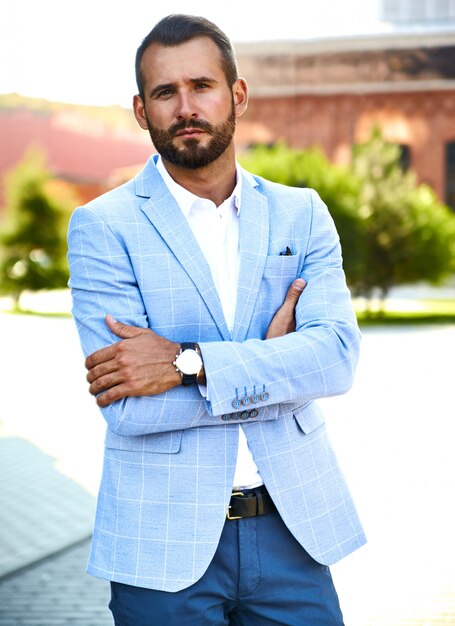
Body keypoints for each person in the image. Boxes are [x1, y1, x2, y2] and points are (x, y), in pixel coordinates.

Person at [67, 14, 366, 626]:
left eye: (202, 85)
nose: (186, 107)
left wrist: (185, 363)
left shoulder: (300, 215)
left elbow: (335, 358)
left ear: (238, 94)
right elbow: (129, 405)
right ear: (140, 110)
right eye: (164, 92)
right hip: (160, 545)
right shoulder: (103, 227)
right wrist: (276, 370)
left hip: (293, 533)